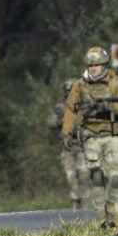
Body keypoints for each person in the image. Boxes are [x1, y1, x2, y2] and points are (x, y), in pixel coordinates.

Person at [61, 46, 118, 227]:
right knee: (96, 176)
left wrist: (109, 108)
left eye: (97, 65)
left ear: (104, 65)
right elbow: (71, 109)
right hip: (91, 135)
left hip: (112, 135)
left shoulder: (117, 84)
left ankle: (116, 215)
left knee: (114, 176)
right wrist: (67, 133)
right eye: (90, 65)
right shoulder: (80, 86)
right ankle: (101, 215)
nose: (93, 68)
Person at [47, 78, 89, 209]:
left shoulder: (85, 107)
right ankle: (74, 200)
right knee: (70, 174)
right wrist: (61, 119)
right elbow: (50, 123)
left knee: (84, 173)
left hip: (83, 145)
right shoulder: (60, 108)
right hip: (68, 146)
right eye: (68, 92)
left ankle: (85, 202)